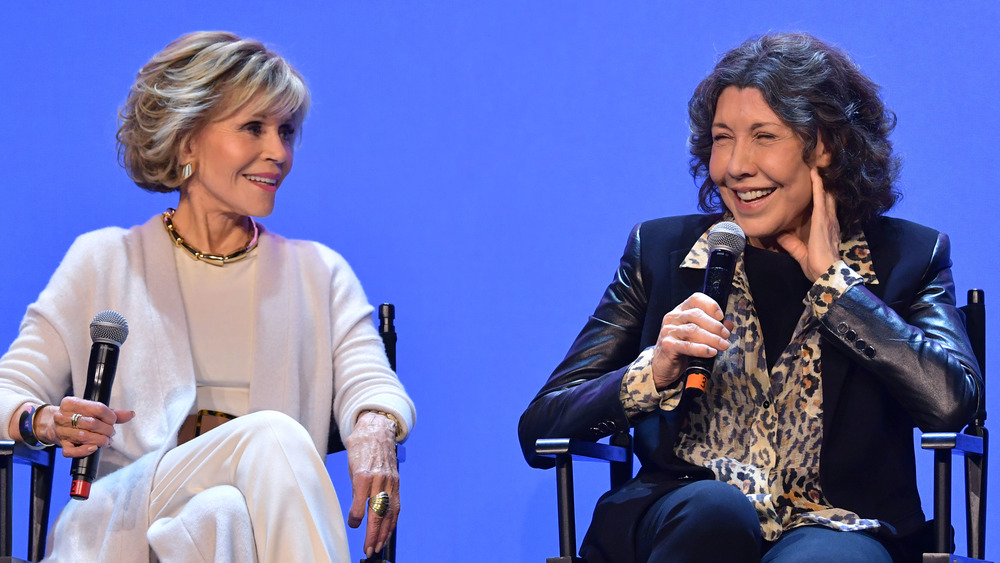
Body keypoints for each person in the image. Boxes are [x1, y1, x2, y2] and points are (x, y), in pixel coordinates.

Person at [518, 32, 981, 563]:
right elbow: (541, 428)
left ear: (826, 146)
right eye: (722, 138)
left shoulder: (908, 256)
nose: (735, 165)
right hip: (687, 514)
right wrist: (654, 373)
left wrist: (837, 286)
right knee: (716, 511)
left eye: (764, 136)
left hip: (839, 525)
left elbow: (951, 404)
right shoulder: (664, 252)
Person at [0, 31, 415, 562]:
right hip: (119, 522)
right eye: (253, 128)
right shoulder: (103, 259)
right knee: (271, 437)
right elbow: (10, 390)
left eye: (287, 131)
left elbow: (371, 381)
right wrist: (46, 421)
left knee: (222, 514)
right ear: (187, 139)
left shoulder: (319, 273)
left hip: (243, 534)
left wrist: (375, 425)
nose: (278, 153)